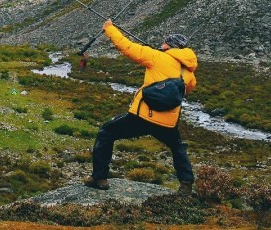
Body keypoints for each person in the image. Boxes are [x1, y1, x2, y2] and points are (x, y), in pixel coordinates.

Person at [84, 19, 198, 194]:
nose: (161, 44)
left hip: (143, 116)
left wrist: (109, 28)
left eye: (164, 43)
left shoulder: (155, 56)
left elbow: (126, 47)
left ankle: (99, 178)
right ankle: (186, 184)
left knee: (106, 132)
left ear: (169, 46)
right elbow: (188, 89)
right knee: (177, 146)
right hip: (167, 121)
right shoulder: (188, 73)